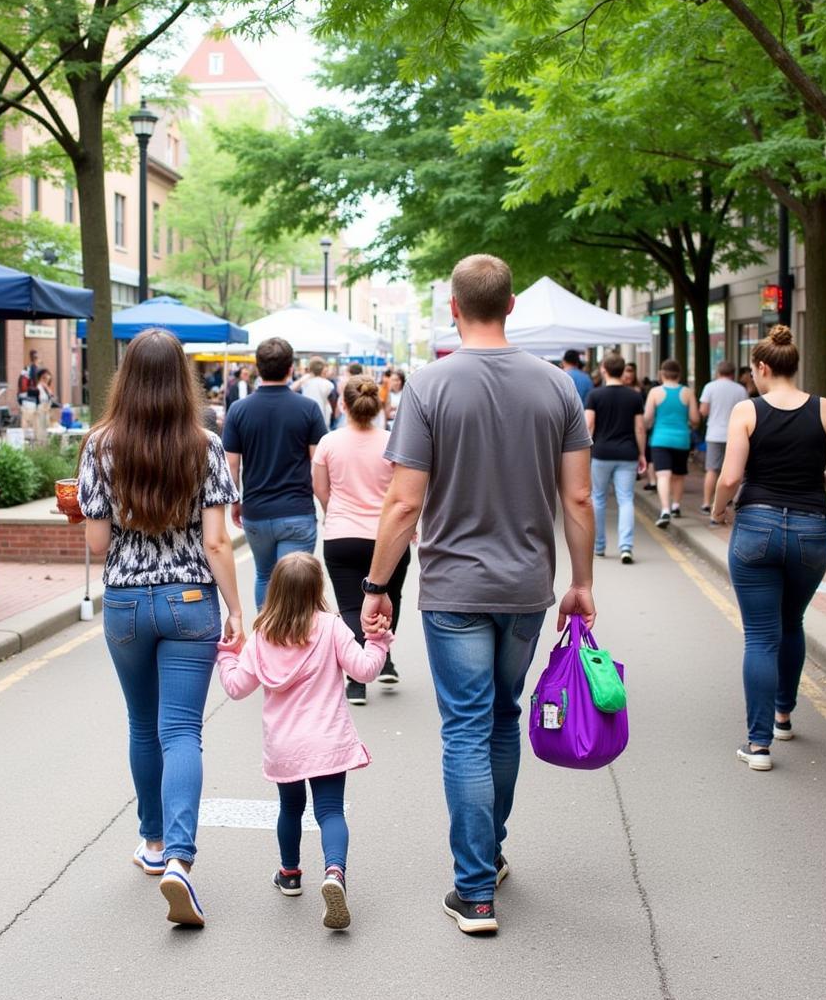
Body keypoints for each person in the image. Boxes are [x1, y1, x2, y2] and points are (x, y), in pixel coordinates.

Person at [360, 254, 595, 935]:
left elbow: (404, 505)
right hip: (527, 589)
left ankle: (474, 892)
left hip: (453, 588)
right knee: (502, 718)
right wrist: (580, 583)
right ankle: (488, 859)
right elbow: (577, 496)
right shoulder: (557, 388)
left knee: (464, 726)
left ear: (455, 310)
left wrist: (377, 586)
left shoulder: (429, 387)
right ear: (512, 305)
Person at [77, 329, 244, 927]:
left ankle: (151, 844)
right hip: (189, 597)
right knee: (182, 733)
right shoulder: (205, 445)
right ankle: (179, 857)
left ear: (125, 377)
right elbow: (218, 540)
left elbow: (98, 541)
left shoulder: (98, 446)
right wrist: (236, 610)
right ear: (182, 379)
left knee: (142, 726)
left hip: (124, 602)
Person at [216, 552, 393, 930]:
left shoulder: (263, 636)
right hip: (328, 741)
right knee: (330, 812)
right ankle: (334, 874)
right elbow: (364, 669)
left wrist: (227, 655)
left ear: (275, 591)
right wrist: (378, 642)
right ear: (317, 589)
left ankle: (290, 873)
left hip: (285, 747)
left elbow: (235, 688)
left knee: (290, 808)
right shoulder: (331, 626)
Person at [711, 326, 826, 771]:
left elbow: (731, 476)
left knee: (760, 636)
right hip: (811, 529)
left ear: (762, 367)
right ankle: (784, 716)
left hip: (757, 527)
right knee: (792, 621)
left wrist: (718, 510)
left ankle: (757, 746)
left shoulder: (746, 411)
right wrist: (815, 482)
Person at [313, 375, 410, 705]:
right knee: (388, 599)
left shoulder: (329, 442)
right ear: (379, 405)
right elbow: (404, 492)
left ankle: (357, 680)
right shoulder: (394, 440)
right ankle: (384, 659)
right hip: (387, 536)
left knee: (352, 607)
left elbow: (321, 488)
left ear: (343, 404)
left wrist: (334, 512)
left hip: (342, 535)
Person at [222, 337, 327, 609]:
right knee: (295, 585)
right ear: (290, 368)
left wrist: (236, 502)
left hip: (256, 511)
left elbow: (231, 466)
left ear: (257, 368)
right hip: (297, 511)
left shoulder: (238, 410)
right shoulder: (308, 409)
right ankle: (296, 645)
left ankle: (267, 642)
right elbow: (319, 464)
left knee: (265, 576)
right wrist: (327, 504)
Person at [585, 353, 647, 564]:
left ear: (603, 369)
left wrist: (584, 452)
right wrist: (641, 453)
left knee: (598, 499)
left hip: (601, 453)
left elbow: (588, 426)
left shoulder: (595, 395)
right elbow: (640, 427)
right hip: (627, 453)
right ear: (623, 371)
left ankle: (599, 546)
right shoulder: (634, 396)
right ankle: (626, 547)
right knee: (626, 499)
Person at [645, 359, 700, 528]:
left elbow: (647, 418)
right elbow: (695, 419)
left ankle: (665, 510)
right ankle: (676, 506)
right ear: (679, 374)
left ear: (661, 374)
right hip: (681, 439)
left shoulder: (654, 392)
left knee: (663, 475)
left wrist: (650, 426)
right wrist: (690, 425)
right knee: (678, 475)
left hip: (660, 439)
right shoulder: (687, 392)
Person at [699, 361, 748, 515]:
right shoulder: (740, 389)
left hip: (714, 433)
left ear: (717, 372)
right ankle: (731, 501)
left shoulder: (709, 387)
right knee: (735, 470)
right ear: (733, 374)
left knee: (712, 470)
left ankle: (707, 503)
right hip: (735, 435)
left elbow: (703, 410)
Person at [291, 356, 336, 429]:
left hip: (305, 415)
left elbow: (291, 389)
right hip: (321, 417)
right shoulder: (328, 384)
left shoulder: (305, 381)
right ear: (323, 370)